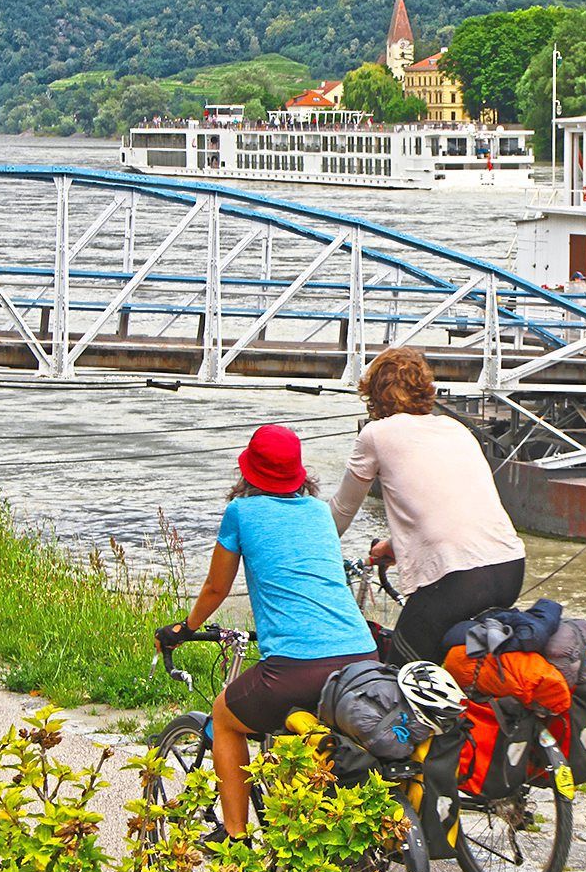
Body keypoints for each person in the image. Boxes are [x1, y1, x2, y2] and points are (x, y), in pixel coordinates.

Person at [154, 426, 376, 841]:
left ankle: (235, 839)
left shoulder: (242, 512)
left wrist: (185, 629)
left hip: (296, 666)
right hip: (361, 658)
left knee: (225, 716)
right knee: (311, 732)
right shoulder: (319, 513)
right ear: (299, 473)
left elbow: (216, 588)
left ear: (249, 471)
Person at [330, 348, 526, 666]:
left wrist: (304, 552)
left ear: (374, 397)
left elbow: (340, 512)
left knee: (398, 678)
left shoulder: (376, 435)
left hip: (455, 580)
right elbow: (458, 509)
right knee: (447, 670)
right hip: (509, 568)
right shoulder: (455, 429)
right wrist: (397, 546)